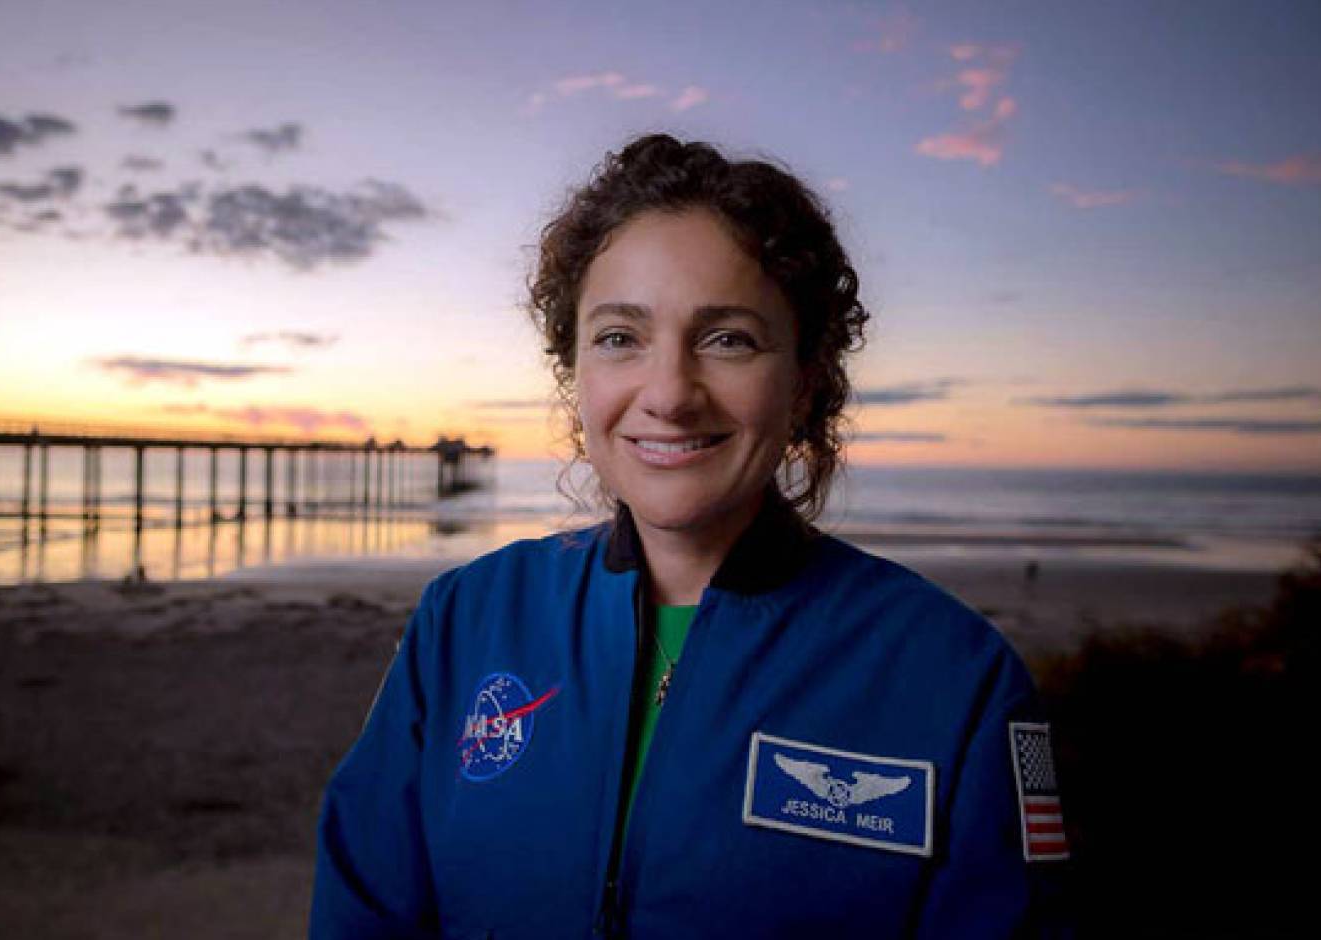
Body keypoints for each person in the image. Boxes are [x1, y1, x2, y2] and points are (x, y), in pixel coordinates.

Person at [310, 134, 1070, 938]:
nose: (669, 393)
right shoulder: (463, 622)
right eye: (619, 337)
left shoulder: (957, 679)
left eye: (727, 338)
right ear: (575, 374)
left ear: (806, 379)